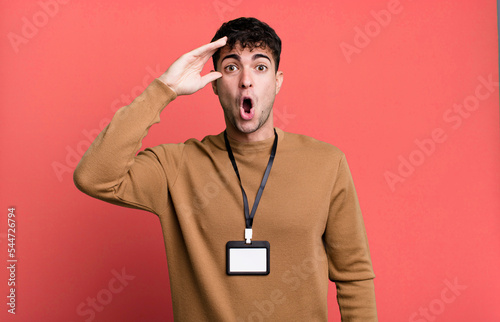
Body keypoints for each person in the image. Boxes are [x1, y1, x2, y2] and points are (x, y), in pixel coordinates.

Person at [74, 17, 377, 321]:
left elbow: (354, 275)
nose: (246, 80)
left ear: (278, 81)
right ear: (215, 85)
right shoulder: (178, 166)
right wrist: (163, 89)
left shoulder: (326, 163)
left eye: (260, 67)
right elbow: (95, 177)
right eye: (232, 67)